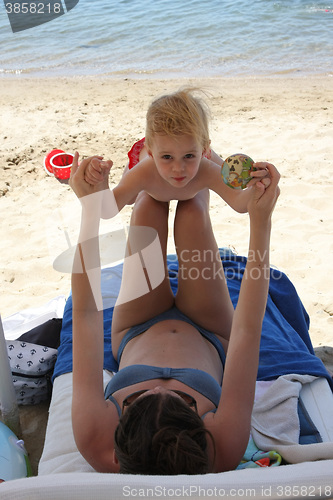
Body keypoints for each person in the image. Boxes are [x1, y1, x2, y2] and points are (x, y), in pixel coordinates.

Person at [69, 147, 280, 475]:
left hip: (137, 326)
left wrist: (90, 209)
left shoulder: (95, 436)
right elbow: (248, 328)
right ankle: (194, 160)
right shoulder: (222, 445)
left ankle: (155, 165)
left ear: (115, 453)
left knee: (147, 208)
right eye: (184, 401)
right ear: (202, 432)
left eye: (138, 399)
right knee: (193, 210)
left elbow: (84, 314)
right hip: (208, 328)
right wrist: (261, 220)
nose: (159, 385)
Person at [83, 88, 271, 217]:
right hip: (148, 164)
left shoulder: (206, 166)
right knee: (132, 198)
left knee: (223, 174)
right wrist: (101, 183)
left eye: (189, 156)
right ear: (151, 152)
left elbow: (238, 202)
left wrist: (257, 189)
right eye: (167, 157)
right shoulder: (144, 170)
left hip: (188, 151)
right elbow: (107, 210)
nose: (178, 168)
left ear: (204, 149)